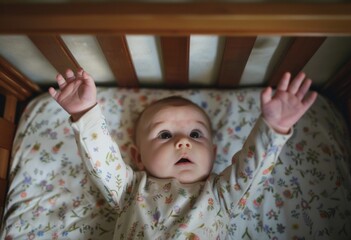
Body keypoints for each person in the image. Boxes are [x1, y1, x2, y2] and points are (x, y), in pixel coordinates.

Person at [49, 69, 317, 239]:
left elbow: (253, 169)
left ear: (213, 153)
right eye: (165, 135)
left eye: (195, 134)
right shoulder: (129, 189)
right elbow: (101, 159)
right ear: (138, 156)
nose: (182, 143)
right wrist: (85, 112)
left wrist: (274, 127)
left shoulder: (222, 194)